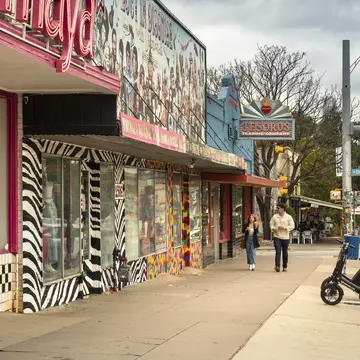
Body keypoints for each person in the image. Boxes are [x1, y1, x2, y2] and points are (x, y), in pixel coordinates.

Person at [270, 203, 295, 272]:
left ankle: (285, 266)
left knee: (285, 252)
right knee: (278, 251)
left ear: (282, 209)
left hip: (285, 237)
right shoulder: (275, 217)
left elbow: (292, 225)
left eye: (278, 208)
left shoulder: (288, 217)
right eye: (277, 208)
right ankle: (277, 266)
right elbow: (271, 225)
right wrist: (274, 228)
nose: (277, 210)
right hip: (277, 236)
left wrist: (286, 228)